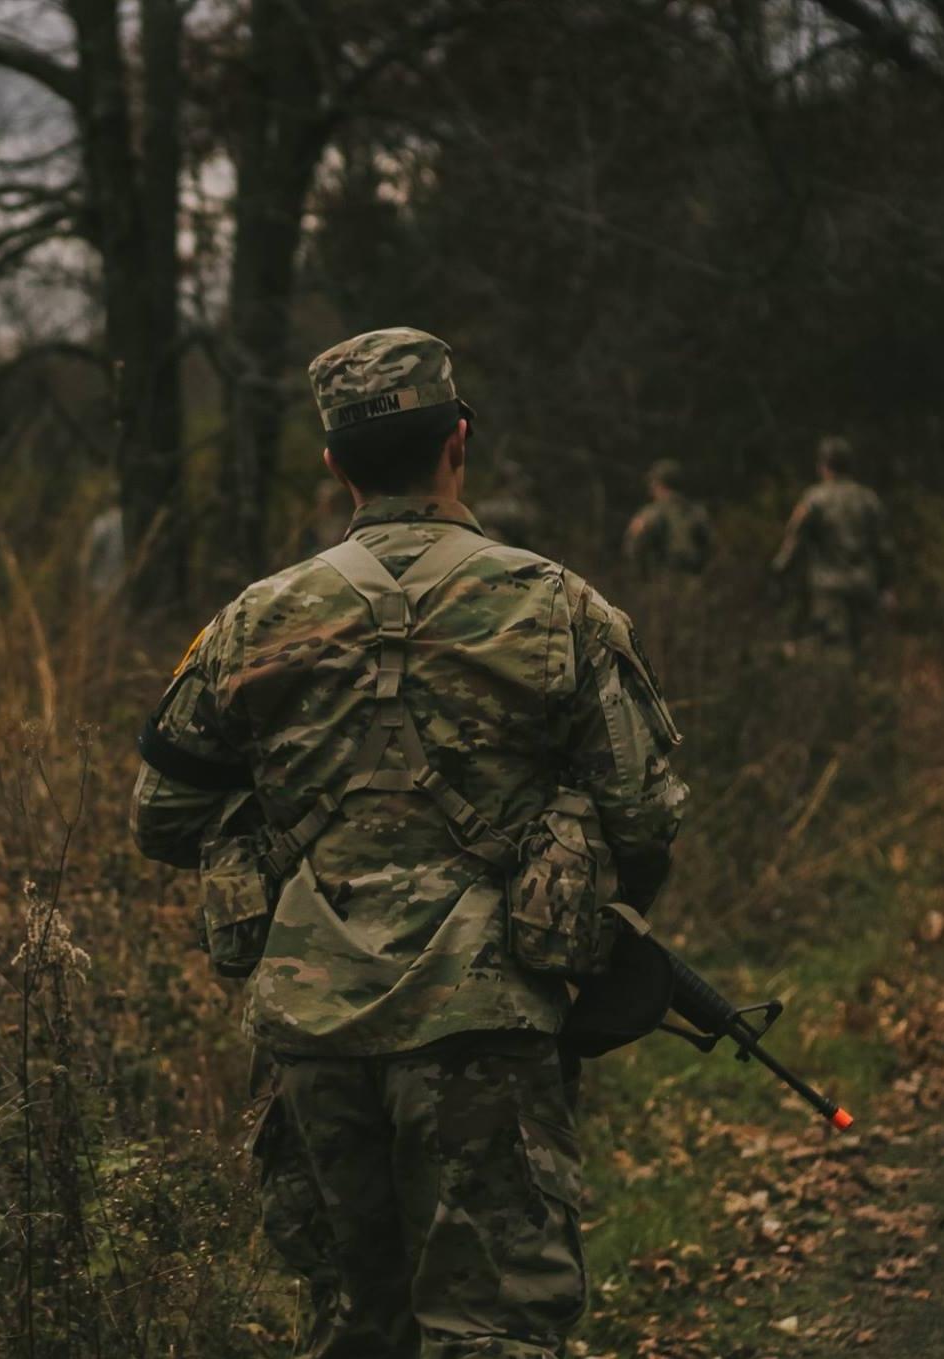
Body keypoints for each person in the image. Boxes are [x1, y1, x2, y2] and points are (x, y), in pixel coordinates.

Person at [130, 327, 688, 1359]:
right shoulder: (555, 606)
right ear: (459, 442)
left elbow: (160, 815)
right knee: (492, 1329)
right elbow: (647, 811)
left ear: (335, 463)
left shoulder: (253, 620)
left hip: (308, 1031)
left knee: (353, 1325)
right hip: (486, 1024)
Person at [771, 436, 894, 652]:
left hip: (828, 589)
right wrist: (886, 586)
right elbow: (884, 547)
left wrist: (778, 570)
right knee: (864, 651)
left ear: (823, 466)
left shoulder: (814, 499)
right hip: (864, 586)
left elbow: (794, 541)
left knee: (832, 649)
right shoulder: (868, 499)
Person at [623, 459, 713, 576]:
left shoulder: (651, 513)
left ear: (659, 484)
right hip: (697, 583)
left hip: (662, 581)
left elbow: (633, 548)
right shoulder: (697, 511)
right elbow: (711, 547)